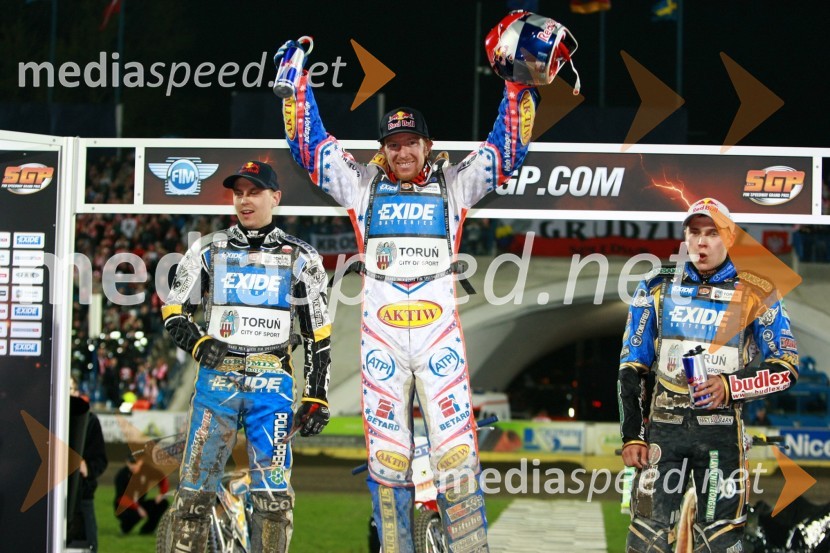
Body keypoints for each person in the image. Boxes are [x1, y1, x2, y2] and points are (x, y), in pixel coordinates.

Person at [275, 14, 578, 547]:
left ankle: (470, 545)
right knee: (387, 458)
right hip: (381, 341)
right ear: (383, 149)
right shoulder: (361, 185)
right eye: (394, 144)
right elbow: (312, 148)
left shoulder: (454, 184)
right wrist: (297, 84)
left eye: (412, 142)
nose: (403, 151)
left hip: (439, 336)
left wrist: (516, 83)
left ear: (428, 145)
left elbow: (505, 151)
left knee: (456, 450)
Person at [158, 161, 333, 553]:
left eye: (254, 192)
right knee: (192, 496)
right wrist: (199, 344)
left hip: (272, 384)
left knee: (272, 501)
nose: (244, 200)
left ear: (275, 197)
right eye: (238, 193)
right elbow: (173, 310)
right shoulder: (207, 249)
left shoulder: (302, 257)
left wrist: (316, 395)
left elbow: (317, 334)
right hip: (215, 380)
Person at [618, 197, 800, 551]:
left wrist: (730, 387)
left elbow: (786, 367)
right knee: (646, 538)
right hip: (663, 431)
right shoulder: (656, 284)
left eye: (712, 233)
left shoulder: (758, 290)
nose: (702, 242)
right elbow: (632, 366)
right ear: (685, 237)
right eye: (694, 232)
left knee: (719, 540)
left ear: (729, 238)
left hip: (721, 433)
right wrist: (632, 435)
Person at [67, 378, 108, 553]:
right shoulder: (47, 419)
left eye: (70, 388)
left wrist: (87, 467)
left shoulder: (90, 421)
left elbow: (100, 460)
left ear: (76, 392)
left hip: (82, 498)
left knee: (87, 547)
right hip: (50, 498)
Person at [114, 454, 170, 535]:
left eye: (136, 463)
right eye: (131, 463)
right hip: (124, 506)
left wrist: (162, 493)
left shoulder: (146, 471)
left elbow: (162, 478)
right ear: (127, 462)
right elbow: (121, 498)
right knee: (135, 514)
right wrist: (138, 508)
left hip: (140, 503)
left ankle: (148, 530)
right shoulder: (122, 475)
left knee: (163, 503)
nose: (133, 466)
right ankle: (125, 529)